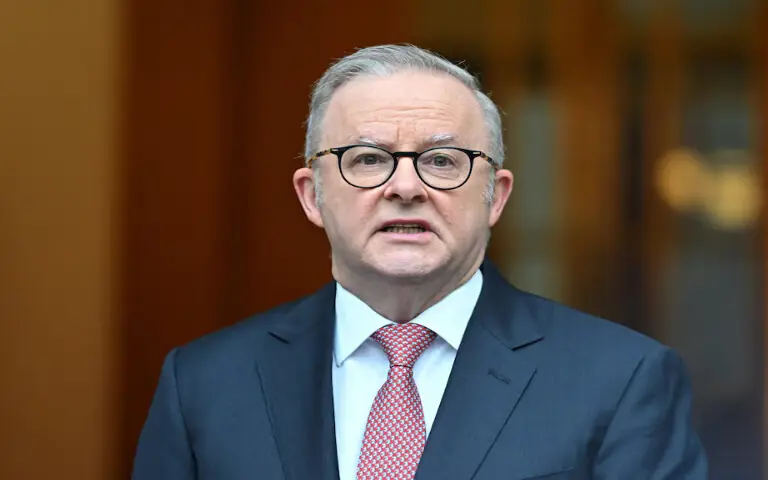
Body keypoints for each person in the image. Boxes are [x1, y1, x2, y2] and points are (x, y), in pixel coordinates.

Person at [133, 44, 708, 480]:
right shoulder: (205, 384)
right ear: (312, 196)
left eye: (441, 160)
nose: (405, 186)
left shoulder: (623, 380)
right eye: (365, 159)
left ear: (496, 196)